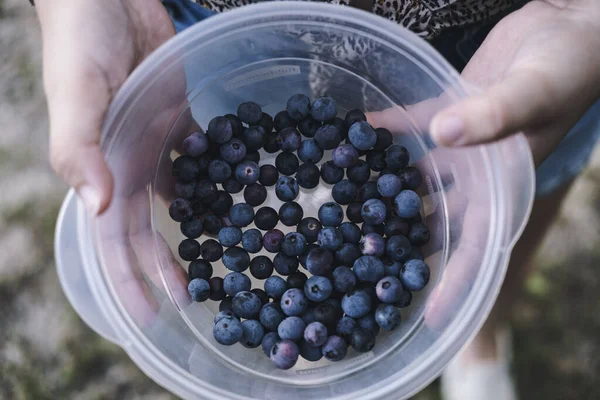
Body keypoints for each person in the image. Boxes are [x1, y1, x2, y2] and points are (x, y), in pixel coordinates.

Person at [33, 0, 600, 399]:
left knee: (499, 205)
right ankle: (476, 332)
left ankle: (482, 335)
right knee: (458, 212)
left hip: (501, 41)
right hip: (224, 27)